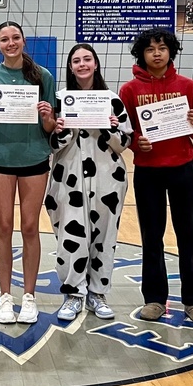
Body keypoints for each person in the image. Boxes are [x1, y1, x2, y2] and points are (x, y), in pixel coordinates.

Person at [119, 28, 193, 325]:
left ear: (171, 51)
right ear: (141, 54)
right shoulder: (129, 90)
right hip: (148, 171)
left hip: (183, 168)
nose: (156, 53)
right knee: (152, 237)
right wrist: (136, 143)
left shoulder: (188, 86)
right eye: (150, 49)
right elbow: (126, 132)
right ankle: (155, 299)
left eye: (161, 47)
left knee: (189, 235)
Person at [0, 22, 57, 326]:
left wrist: (48, 117)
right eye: (4, 39)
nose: (10, 43)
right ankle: (5, 297)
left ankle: (29, 297)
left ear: (23, 41)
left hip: (34, 158)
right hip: (0, 158)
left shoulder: (43, 76)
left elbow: (48, 128)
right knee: (4, 227)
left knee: (30, 227)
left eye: (15, 38)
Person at [47, 44, 132, 321]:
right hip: (68, 177)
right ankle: (73, 293)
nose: (82, 64)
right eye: (76, 60)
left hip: (108, 177)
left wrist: (111, 128)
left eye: (87, 59)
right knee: (70, 236)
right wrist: (63, 129)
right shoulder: (60, 99)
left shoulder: (112, 100)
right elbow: (51, 145)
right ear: (70, 67)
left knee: (105, 235)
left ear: (95, 64)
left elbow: (124, 144)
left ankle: (97, 293)